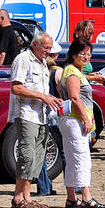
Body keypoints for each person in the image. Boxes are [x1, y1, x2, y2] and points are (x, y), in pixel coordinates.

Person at [9, 32, 62, 208]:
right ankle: (18, 197)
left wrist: (50, 99)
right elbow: (16, 87)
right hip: (27, 114)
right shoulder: (23, 59)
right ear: (35, 45)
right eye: (46, 48)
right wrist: (42, 96)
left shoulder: (41, 62)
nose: (48, 51)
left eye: (50, 48)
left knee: (38, 157)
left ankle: (27, 197)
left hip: (41, 116)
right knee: (27, 155)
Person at [58, 40, 105, 208]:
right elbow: (74, 98)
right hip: (75, 120)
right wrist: (86, 119)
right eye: (83, 54)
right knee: (82, 158)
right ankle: (86, 196)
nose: (86, 57)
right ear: (73, 55)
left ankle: (71, 197)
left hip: (71, 119)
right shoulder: (72, 72)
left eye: (88, 54)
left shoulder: (73, 71)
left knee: (72, 159)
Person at [36, 40, 63, 197]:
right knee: (64, 151)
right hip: (54, 115)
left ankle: (44, 186)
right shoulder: (56, 71)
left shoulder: (40, 69)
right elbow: (61, 94)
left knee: (41, 152)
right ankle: (74, 187)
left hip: (42, 113)